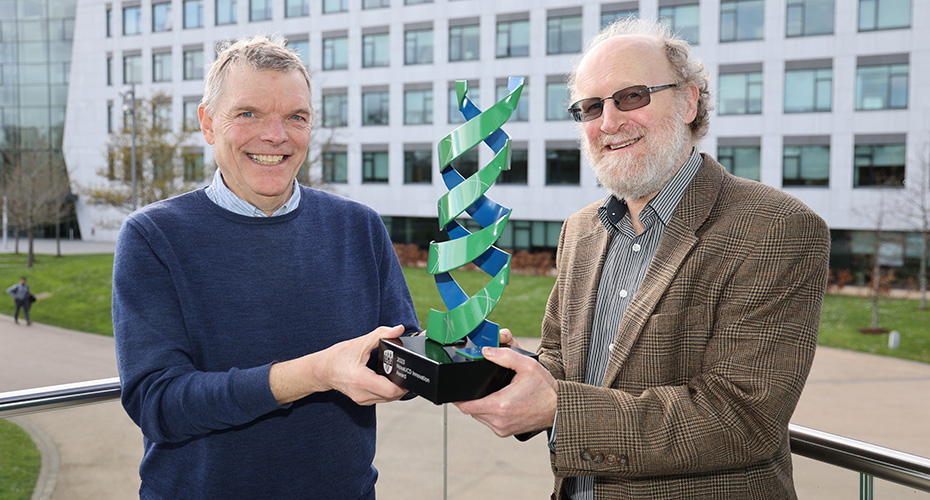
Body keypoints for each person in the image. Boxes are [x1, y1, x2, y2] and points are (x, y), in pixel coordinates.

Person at [455, 17, 831, 500]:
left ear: (690, 100)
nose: (609, 122)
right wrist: (509, 369)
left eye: (632, 96)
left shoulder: (775, 227)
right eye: (591, 107)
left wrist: (557, 410)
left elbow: (742, 418)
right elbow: (562, 362)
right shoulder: (581, 230)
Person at [112, 35, 419, 499]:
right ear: (209, 123)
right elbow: (159, 403)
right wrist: (315, 373)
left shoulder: (359, 227)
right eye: (249, 113)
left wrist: (466, 355)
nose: (276, 135)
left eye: (296, 116)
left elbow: (403, 357)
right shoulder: (153, 236)